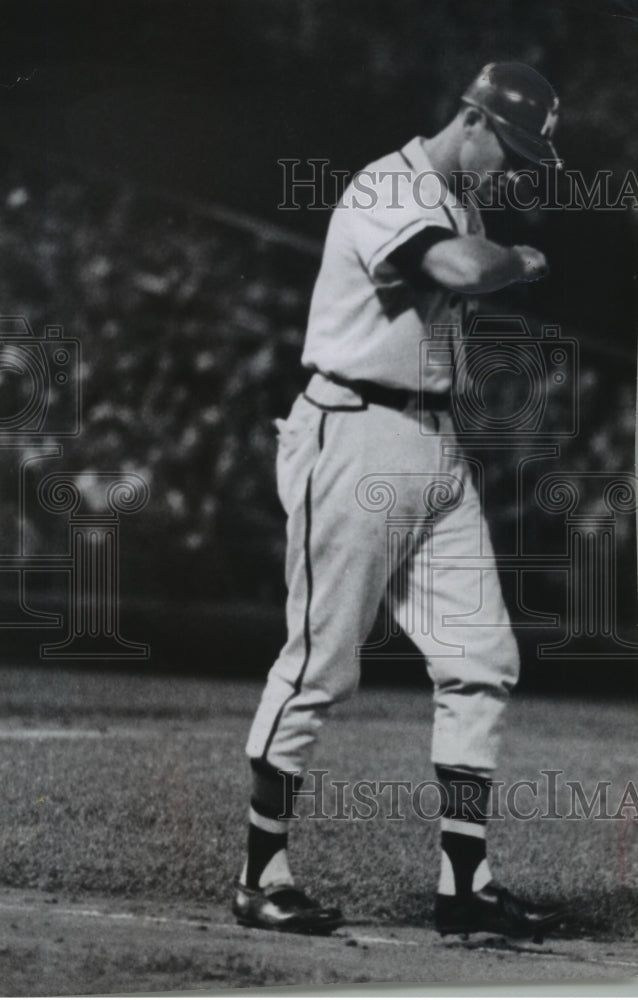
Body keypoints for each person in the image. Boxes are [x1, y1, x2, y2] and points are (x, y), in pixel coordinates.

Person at [233, 62, 566, 937]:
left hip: (431, 440)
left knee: (483, 657)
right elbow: (458, 269)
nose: (518, 170)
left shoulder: (463, 202)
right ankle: (259, 873)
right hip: (352, 428)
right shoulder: (391, 184)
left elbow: (458, 264)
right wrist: (523, 259)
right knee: (319, 665)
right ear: (473, 120)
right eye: (516, 149)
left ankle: (466, 884)